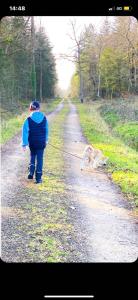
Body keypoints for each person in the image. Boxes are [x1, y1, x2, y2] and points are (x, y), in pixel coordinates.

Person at [22, 100, 48, 184]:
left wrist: (24, 144)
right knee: (40, 159)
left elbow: (25, 132)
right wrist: (46, 140)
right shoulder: (44, 118)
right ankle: (39, 178)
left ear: (31, 109)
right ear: (39, 108)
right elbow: (46, 130)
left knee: (32, 155)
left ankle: (31, 172)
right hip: (41, 143)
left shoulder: (28, 119)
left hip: (32, 143)